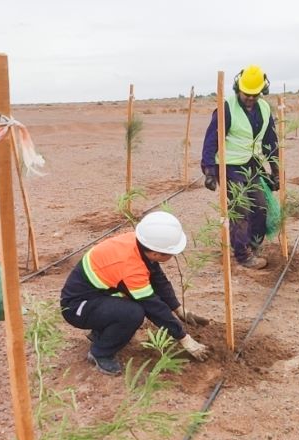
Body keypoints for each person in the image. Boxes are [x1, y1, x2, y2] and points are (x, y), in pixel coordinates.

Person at [60, 211, 211, 376]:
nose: (174, 255)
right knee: (133, 313)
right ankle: (100, 353)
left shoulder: (139, 243)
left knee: (132, 301)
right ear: (155, 253)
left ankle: (102, 333)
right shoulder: (131, 268)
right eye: (171, 253)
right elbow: (154, 307)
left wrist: (179, 309)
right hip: (77, 307)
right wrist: (184, 338)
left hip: (99, 296)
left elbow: (158, 280)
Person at [201, 65, 279, 270]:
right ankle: (242, 254)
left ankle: (253, 245)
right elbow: (211, 141)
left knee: (260, 205)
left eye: (255, 94)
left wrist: (276, 170)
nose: (251, 98)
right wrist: (209, 171)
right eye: (247, 94)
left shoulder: (264, 108)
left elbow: (271, 140)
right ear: (238, 87)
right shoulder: (226, 108)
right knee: (241, 208)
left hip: (252, 165)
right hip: (229, 167)